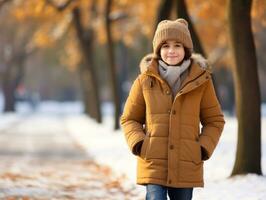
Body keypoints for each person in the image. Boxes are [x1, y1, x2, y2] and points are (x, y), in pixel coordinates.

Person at [120, 18, 225, 200]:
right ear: (158, 50)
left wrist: (201, 148)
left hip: (186, 162)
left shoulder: (202, 82)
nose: (171, 51)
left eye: (177, 45)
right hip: (153, 160)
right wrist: (139, 143)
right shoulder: (145, 80)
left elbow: (215, 120)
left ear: (186, 49)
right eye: (165, 45)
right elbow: (129, 118)